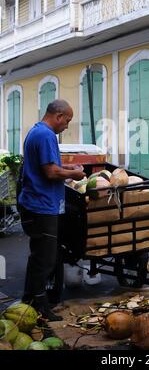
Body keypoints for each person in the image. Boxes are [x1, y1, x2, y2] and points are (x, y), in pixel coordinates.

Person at [18, 99, 86, 321]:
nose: (66, 126)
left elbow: (48, 165)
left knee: (39, 256)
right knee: (45, 259)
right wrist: (74, 175)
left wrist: (66, 167)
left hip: (36, 204)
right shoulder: (46, 135)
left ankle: (29, 300)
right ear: (58, 116)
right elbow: (49, 172)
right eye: (67, 121)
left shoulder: (36, 132)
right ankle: (40, 306)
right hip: (41, 206)